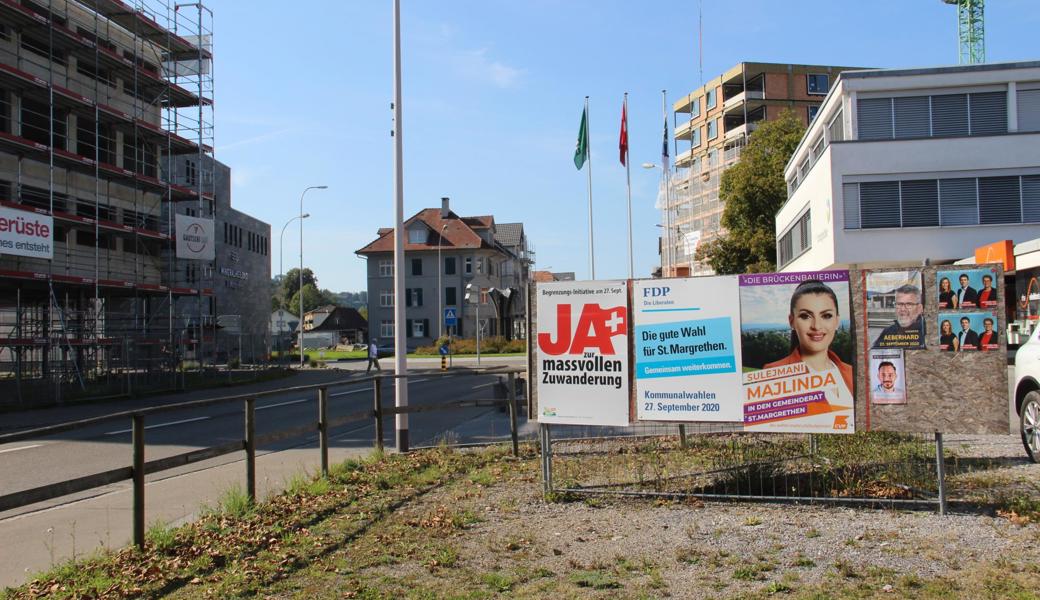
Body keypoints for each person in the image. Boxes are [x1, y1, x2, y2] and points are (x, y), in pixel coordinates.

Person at [764, 279, 854, 398]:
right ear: (792, 322)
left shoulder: (851, 372)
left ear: (837, 321)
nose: (816, 326)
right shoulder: (773, 374)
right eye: (805, 316)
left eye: (826, 316)